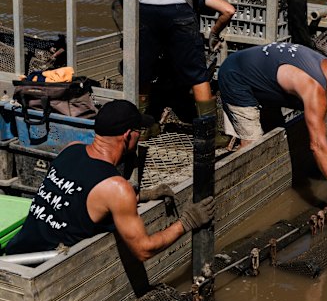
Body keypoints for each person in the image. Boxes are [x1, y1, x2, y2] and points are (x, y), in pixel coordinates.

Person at [4, 100, 215, 261]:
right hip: (44, 268)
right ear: (127, 136)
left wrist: (141, 196)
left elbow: (78, 201)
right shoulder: (116, 187)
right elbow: (144, 249)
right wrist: (186, 222)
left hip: (14, 254)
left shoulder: (71, 149)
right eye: (138, 132)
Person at [218, 42, 327, 210]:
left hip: (262, 77)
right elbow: (317, 145)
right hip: (236, 76)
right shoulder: (313, 88)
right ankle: (233, 198)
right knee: (253, 148)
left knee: (273, 137)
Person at [137, 0, 235, 146]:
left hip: (145, 11)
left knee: (143, 73)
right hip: (179, 14)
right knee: (198, 76)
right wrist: (214, 33)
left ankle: (141, 129)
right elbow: (228, 10)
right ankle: (208, 135)